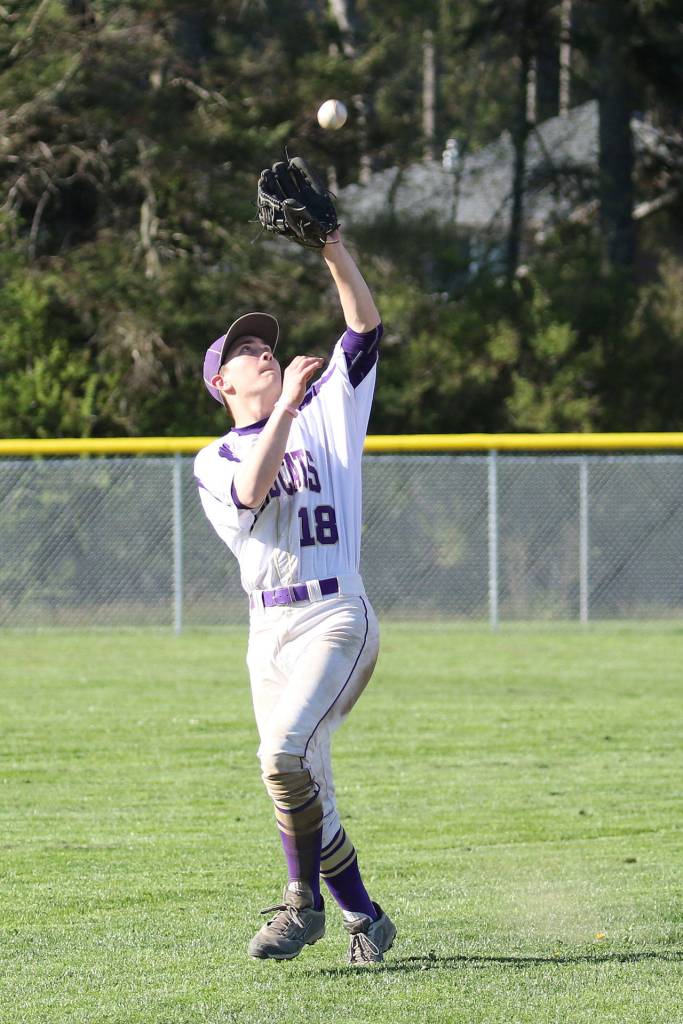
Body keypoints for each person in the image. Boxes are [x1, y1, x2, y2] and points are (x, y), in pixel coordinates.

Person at [194, 228, 395, 966]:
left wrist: (331, 247)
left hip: (336, 616)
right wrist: (288, 409)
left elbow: (364, 327)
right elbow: (252, 488)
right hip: (267, 633)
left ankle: (299, 901)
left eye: (265, 345)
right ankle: (365, 918)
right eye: (244, 352)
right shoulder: (213, 458)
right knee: (304, 782)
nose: (262, 352)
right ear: (224, 385)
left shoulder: (327, 411)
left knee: (282, 755)